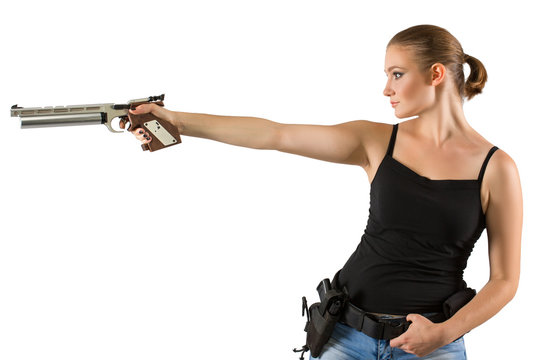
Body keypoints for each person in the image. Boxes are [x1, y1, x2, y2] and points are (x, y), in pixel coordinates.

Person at [121, 24, 522, 359]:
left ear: (435, 74)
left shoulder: (496, 168)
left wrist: (443, 333)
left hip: (433, 346)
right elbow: (276, 134)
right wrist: (176, 121)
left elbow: (505, 280)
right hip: (347, 335)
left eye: (396, 74)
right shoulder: (376, 141)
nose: (386, 88)